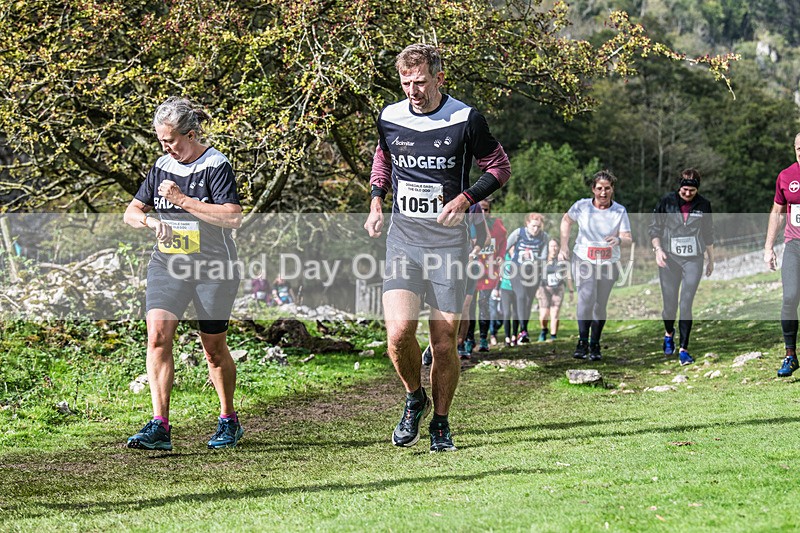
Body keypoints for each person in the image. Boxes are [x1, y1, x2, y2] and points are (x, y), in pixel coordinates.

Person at [364, 44, 510, 452]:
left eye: (421, 82)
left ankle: (441, 422)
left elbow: (500, 167)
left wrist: (465, 198)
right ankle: (414, 397)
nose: (413, 89)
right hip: (404, 240)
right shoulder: (390, 117)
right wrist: (377, 200)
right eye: (406, 82)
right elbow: (384, 157)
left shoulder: (466, 119)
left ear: (439, 79)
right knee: (397, 335)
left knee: (444, 343)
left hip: (448, 245)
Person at [123, 97, 244, 450]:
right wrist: (150, 221)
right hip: (168, 264)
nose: (166, 148)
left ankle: (228, 420)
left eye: (171, 140)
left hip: (213, 268)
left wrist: (182, 201)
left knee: (213, 349)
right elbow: (131, 211)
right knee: (157, 336)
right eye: (161, 141)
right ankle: (160, 426)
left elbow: (232, 217)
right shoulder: (161, 165)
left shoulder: (215, 164)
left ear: (190, 134)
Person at [559, 170, 632, 361]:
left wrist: (618, 239)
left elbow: (628, 239)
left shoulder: (619, 211)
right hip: (584, 258)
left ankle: (595, 343)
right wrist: (564, 246)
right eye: (599, 188)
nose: (603, 192)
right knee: (587, 296)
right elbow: (566, 221)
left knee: (600, 305)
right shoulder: (582, 206)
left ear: (612, 190)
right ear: (593, 189)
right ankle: (582, 341)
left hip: (609, 262)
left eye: (607, 188)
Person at [649, 169, 714, 366]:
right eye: (685, 190)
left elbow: (708, 233)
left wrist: (711, 259)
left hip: (694, 259)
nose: (688, 194)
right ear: (679, 187)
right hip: (669, 259)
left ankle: (684, 349)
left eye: (692, 191)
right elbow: (654, 229)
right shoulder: (666, 202)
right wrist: (658, 250)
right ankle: (669, 333)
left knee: (686, 303)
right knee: (670, 305)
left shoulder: (704, 205)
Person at [765, 132, 800, 377]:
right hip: (794, 245)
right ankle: (790, 354)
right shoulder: (786, 176)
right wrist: (768, 247)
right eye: (799, 147)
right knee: (790, 298)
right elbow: (777, 212)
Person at [505, 213, 549, 343]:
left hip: (533, 272)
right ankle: (523, 330)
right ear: (527, 224)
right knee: (521, 296)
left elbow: (544, 257)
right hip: (517, 270)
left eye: (538, 227)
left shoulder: (544, 236)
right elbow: (504, 248)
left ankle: (521, 332)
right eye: (533, 226)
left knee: (528, 302)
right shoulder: (519, 233)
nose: (536, 229)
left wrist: (533, 257)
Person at [470, 198, 507, 351]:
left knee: (484, 305)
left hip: (489, 272)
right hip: (470, 272)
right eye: (481, 210)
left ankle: (484, 339)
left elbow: (503, 240)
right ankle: (469, 339)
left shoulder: (496, 224)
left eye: (486, 209)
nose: (483, 213)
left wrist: (501, 255)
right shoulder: (468, 223)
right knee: (469, 307)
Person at [536, 239, 573, 341]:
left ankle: (553, 336)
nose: (554, 248)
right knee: (543, 315)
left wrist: (571, 290)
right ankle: (544, 330)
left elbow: (568, 275)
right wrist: (536, 289)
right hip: (544, 288)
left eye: (556, 246)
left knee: (555, 312)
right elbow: (536, 275)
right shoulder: (543, 259)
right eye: (551, 246)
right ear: (548, 247)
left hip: (558, 288)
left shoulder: (562, 260)